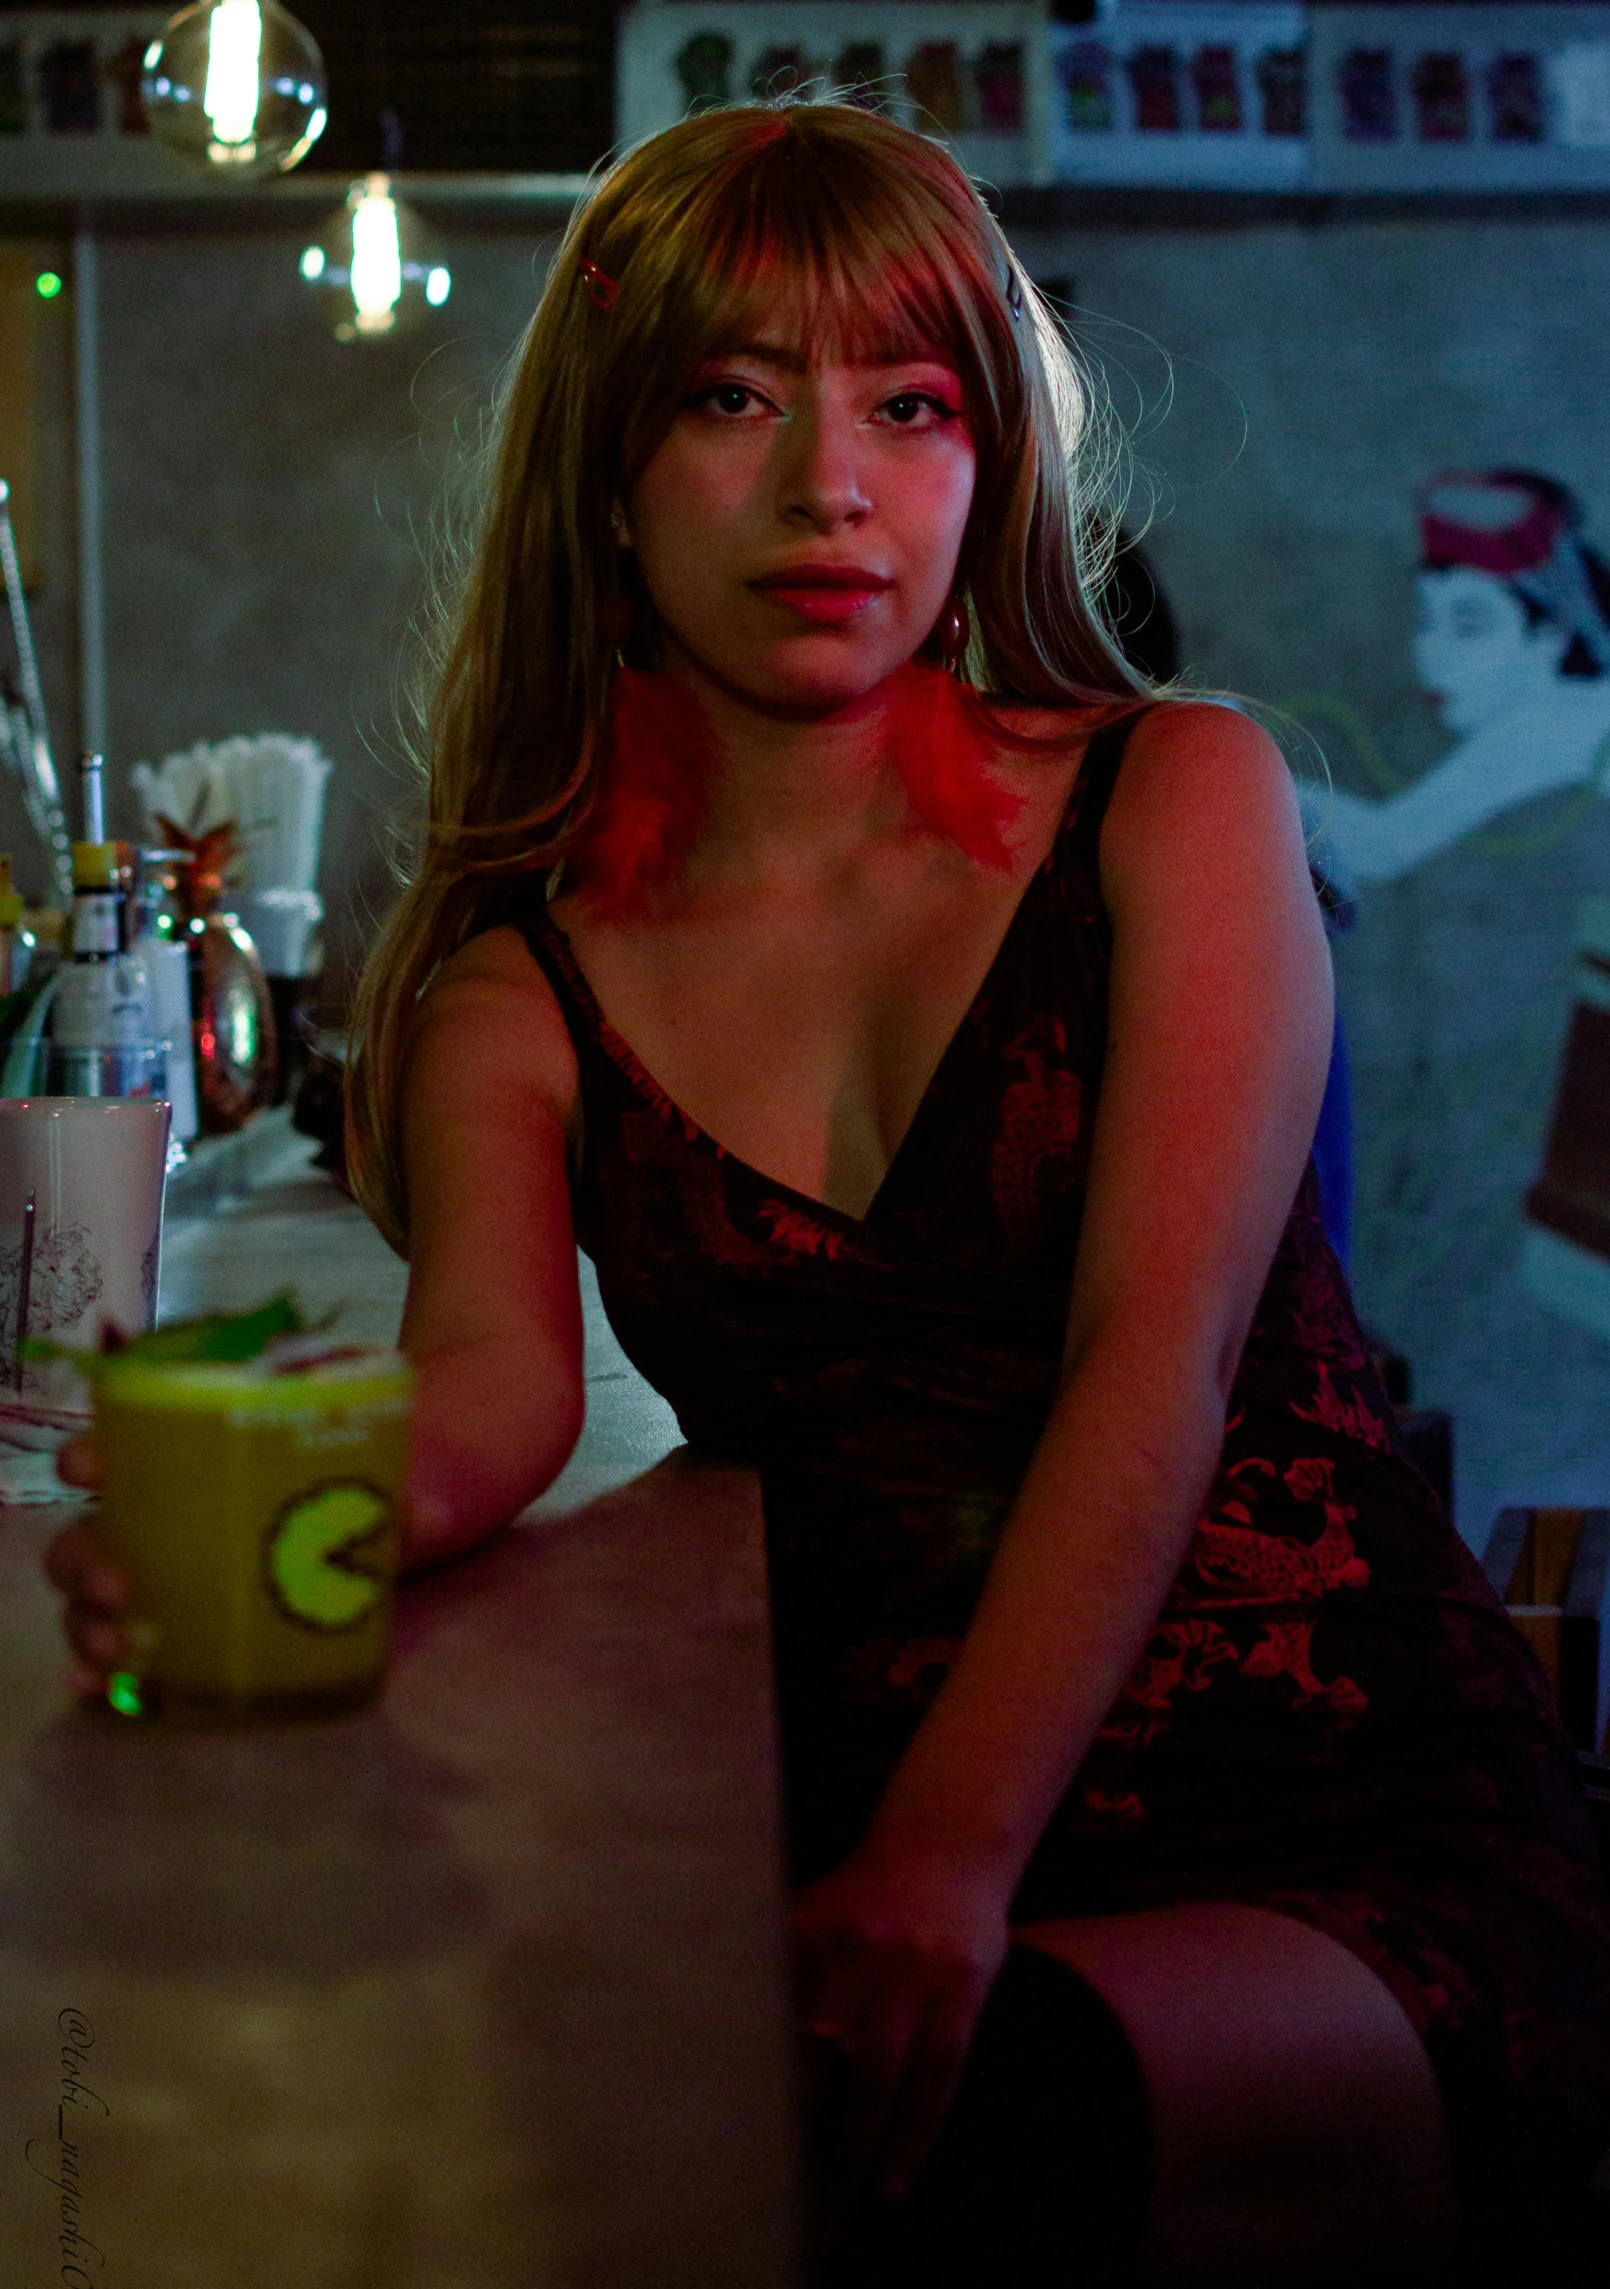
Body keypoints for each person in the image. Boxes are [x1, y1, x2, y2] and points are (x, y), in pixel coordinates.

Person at [48, 104, 1610, 2288]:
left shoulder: (1178, 794)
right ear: (608, 468)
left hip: (1332, 1799)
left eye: (909, 402)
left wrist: (944, 1863)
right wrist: (253, 1525)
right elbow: (488, 1398)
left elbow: (1147, 1367)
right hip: (835, 1800)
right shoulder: (517, 986)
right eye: (728, 398)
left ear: (989, 466)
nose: (827, 487)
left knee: (917, 2142)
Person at [1324, 469, 1610, 884]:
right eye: (1426, 619)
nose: (1433, 652)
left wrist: (1230, 756)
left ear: (1551, 634)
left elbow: (1379, 845)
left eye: (1469, 625)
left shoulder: (1555, 722)